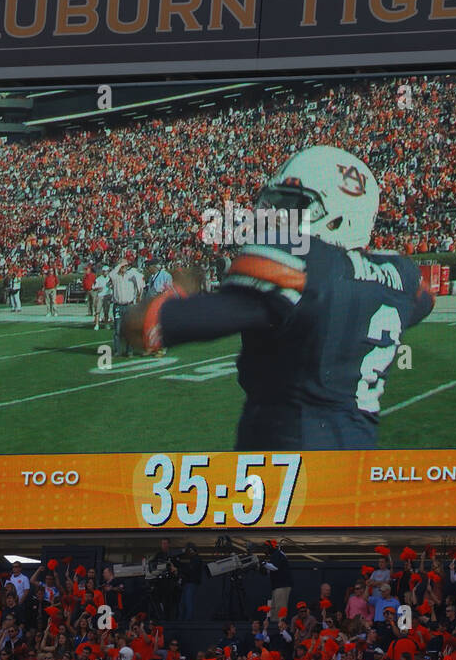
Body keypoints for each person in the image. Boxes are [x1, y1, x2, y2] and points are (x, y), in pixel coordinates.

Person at [120, 146, 433, 450]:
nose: (279, 220)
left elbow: (143, 327)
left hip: (286, 459)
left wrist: (179, 291)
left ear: (338, 219)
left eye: (294, 208)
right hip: (356, 458)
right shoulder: (398, 278)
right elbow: (423, 301)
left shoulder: (306, 269)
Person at [108, 257, 144, 356]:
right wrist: (119, 265)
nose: (124, 267)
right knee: (118, 330)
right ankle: (117, 350)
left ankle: (129, 350)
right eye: (122, 266)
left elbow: (140, 281)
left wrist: (138, 296)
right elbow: (111, 275)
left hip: (129, 305)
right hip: (118, 305)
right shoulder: (115, 277)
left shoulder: (131, 275)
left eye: (125, 265)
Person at [261, 539, 293, 617]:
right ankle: (276, 623)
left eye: (266, 547)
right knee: (275, 608)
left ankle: (281, 624)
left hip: (281, 585)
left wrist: (264, 563)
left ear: (271, 547)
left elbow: (275, 567)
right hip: (278, 586)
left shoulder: (277, 554)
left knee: (280, 608)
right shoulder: (276, 554)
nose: (265, 550)